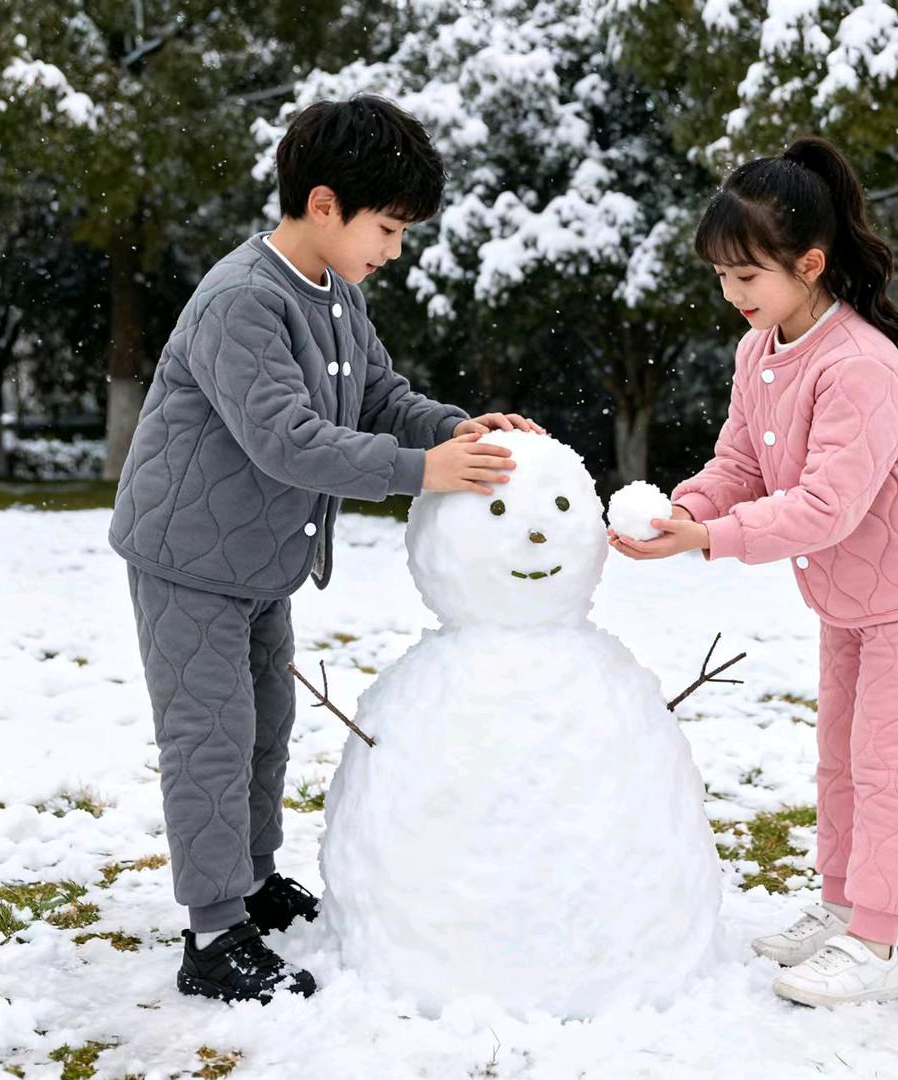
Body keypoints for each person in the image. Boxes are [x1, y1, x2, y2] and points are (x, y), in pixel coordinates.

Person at [109, 95, 541, 1005]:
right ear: (323, 204)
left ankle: (252, 881)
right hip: (188, 558)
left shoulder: (336, 294)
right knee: (211, 739)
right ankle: (212, 935)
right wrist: (421, 470)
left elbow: (381, 397)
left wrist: (458, 430)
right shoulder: (242, 300)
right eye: (387, 228)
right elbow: (289, 440)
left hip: (257, 559)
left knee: (266, 726)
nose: (394, 250)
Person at [609, 135, 898, 1007]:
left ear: (809, 264)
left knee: (889, 763)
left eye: (747, 275)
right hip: (851, 587)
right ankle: (842, 904)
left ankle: (876, 942)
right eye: (721, 275)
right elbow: (741, 462)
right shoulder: (761, 352)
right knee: (840, 756)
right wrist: (687, 509)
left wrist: (711, 539)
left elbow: (825, 506)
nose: (731, 293)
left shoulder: (858, 365)